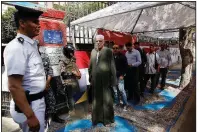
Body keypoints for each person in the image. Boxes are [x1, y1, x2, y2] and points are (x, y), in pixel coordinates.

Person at [3, 6, 46, 132]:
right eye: (34, 22)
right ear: (22, 23)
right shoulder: (17, 47)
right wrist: (30, 116)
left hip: (37, 101)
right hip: (30, 105)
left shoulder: (30, 45)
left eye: (38, 22)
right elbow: (14, 86)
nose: (39, 25)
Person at [88, 34, 117, 126]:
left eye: (100, 41)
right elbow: (90, 65)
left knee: (106, 100)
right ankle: (96, 119)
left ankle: (107, 120)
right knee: (96, 101)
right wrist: (90, 77)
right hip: (95, 81)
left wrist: (113, 80)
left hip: (105, 81)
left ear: (103, 42)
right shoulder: (93, 51)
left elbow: (112, 66)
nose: (98, 43)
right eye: (96, 41)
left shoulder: (108, 51)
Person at [39, 50, 65, 124]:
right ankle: (43, 119)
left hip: (47, 83)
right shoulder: (31, 56)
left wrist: (47, 83)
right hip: (36, 86)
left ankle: (54, 117)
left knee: (52, 101)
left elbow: (50, 70)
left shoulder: (44, 56)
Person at [59, 44, 81, 117]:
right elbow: (62, 73)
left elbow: (75, 66)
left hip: (75, 79)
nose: (72, 53)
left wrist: (78, 73)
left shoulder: (72, 58)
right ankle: (72, 112)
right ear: (67, 52)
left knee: (77, 94)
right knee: (70, 97)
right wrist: (72, 73)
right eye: (71, 52)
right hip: (68, 81)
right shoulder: (62, 60)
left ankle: (78, 110)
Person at [112, 45, 128, 111]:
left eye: (116, 48)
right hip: (113, 76)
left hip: (120, 76)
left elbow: (125, 67)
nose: (115, 49)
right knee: (115, 91)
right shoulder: (111, 57)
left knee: (121, 90)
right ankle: (117, 103)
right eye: (114, 48)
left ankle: (125, 104)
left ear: (119, 49)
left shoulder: (122, 56)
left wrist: (122, 75)